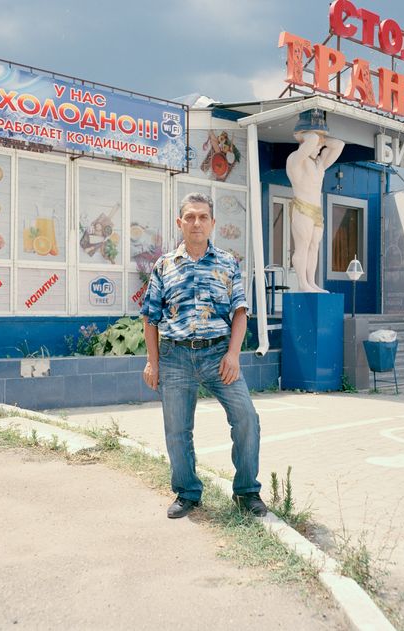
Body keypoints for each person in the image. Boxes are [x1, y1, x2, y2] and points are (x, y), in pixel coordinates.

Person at [140, 192, 266, 519]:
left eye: (203, 217)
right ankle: (187, 493)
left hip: (219, 356)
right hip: (175, 357)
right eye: (190, 217)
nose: (196, 222)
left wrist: (234, 355)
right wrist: (153, 361)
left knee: (246, 418)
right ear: (180, 222)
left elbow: (240, 312)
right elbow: (150, 318)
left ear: (212, 223)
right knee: (177, 430)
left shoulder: (228, 263)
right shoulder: (164, 265)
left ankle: (247, 491)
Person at [286, 109, 345, 293]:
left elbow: (339, 145)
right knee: (302, 246)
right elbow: (311, 139)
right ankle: (302, 283)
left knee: (314, 246)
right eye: (317, 140)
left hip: (316, 211)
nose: (319, 144)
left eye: (320, 141)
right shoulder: (296, 160)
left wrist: (322, 140)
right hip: (302, 208)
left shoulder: (319, 164)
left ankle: (311, 282)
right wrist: (309, 136)